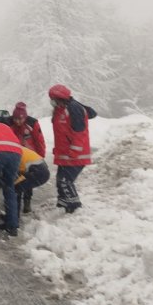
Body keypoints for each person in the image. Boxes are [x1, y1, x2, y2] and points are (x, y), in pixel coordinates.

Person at [48, 84, 97, 213]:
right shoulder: (60, 110)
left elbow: (79, 132)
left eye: (53, 99)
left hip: (76, 155)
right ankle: (63, 205)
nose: (52, 102)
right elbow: (62, 133)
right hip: (65, 155)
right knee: (60, 181)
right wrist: (58, 150)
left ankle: (74, 209)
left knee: (65, 181)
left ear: (60, 97)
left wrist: (75, 150)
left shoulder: (74, 109)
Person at [8, 102, 46, 213]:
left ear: (25, 117)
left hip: (30, 157)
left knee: (29, 181)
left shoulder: (32, 124)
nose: (17, 122)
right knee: (17, 180)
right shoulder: (10, 124)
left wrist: (40, 157)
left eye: (20, 119)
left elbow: (39, 141)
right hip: (16, 157)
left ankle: (27, 202)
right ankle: (16, 205)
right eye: (15, 119)